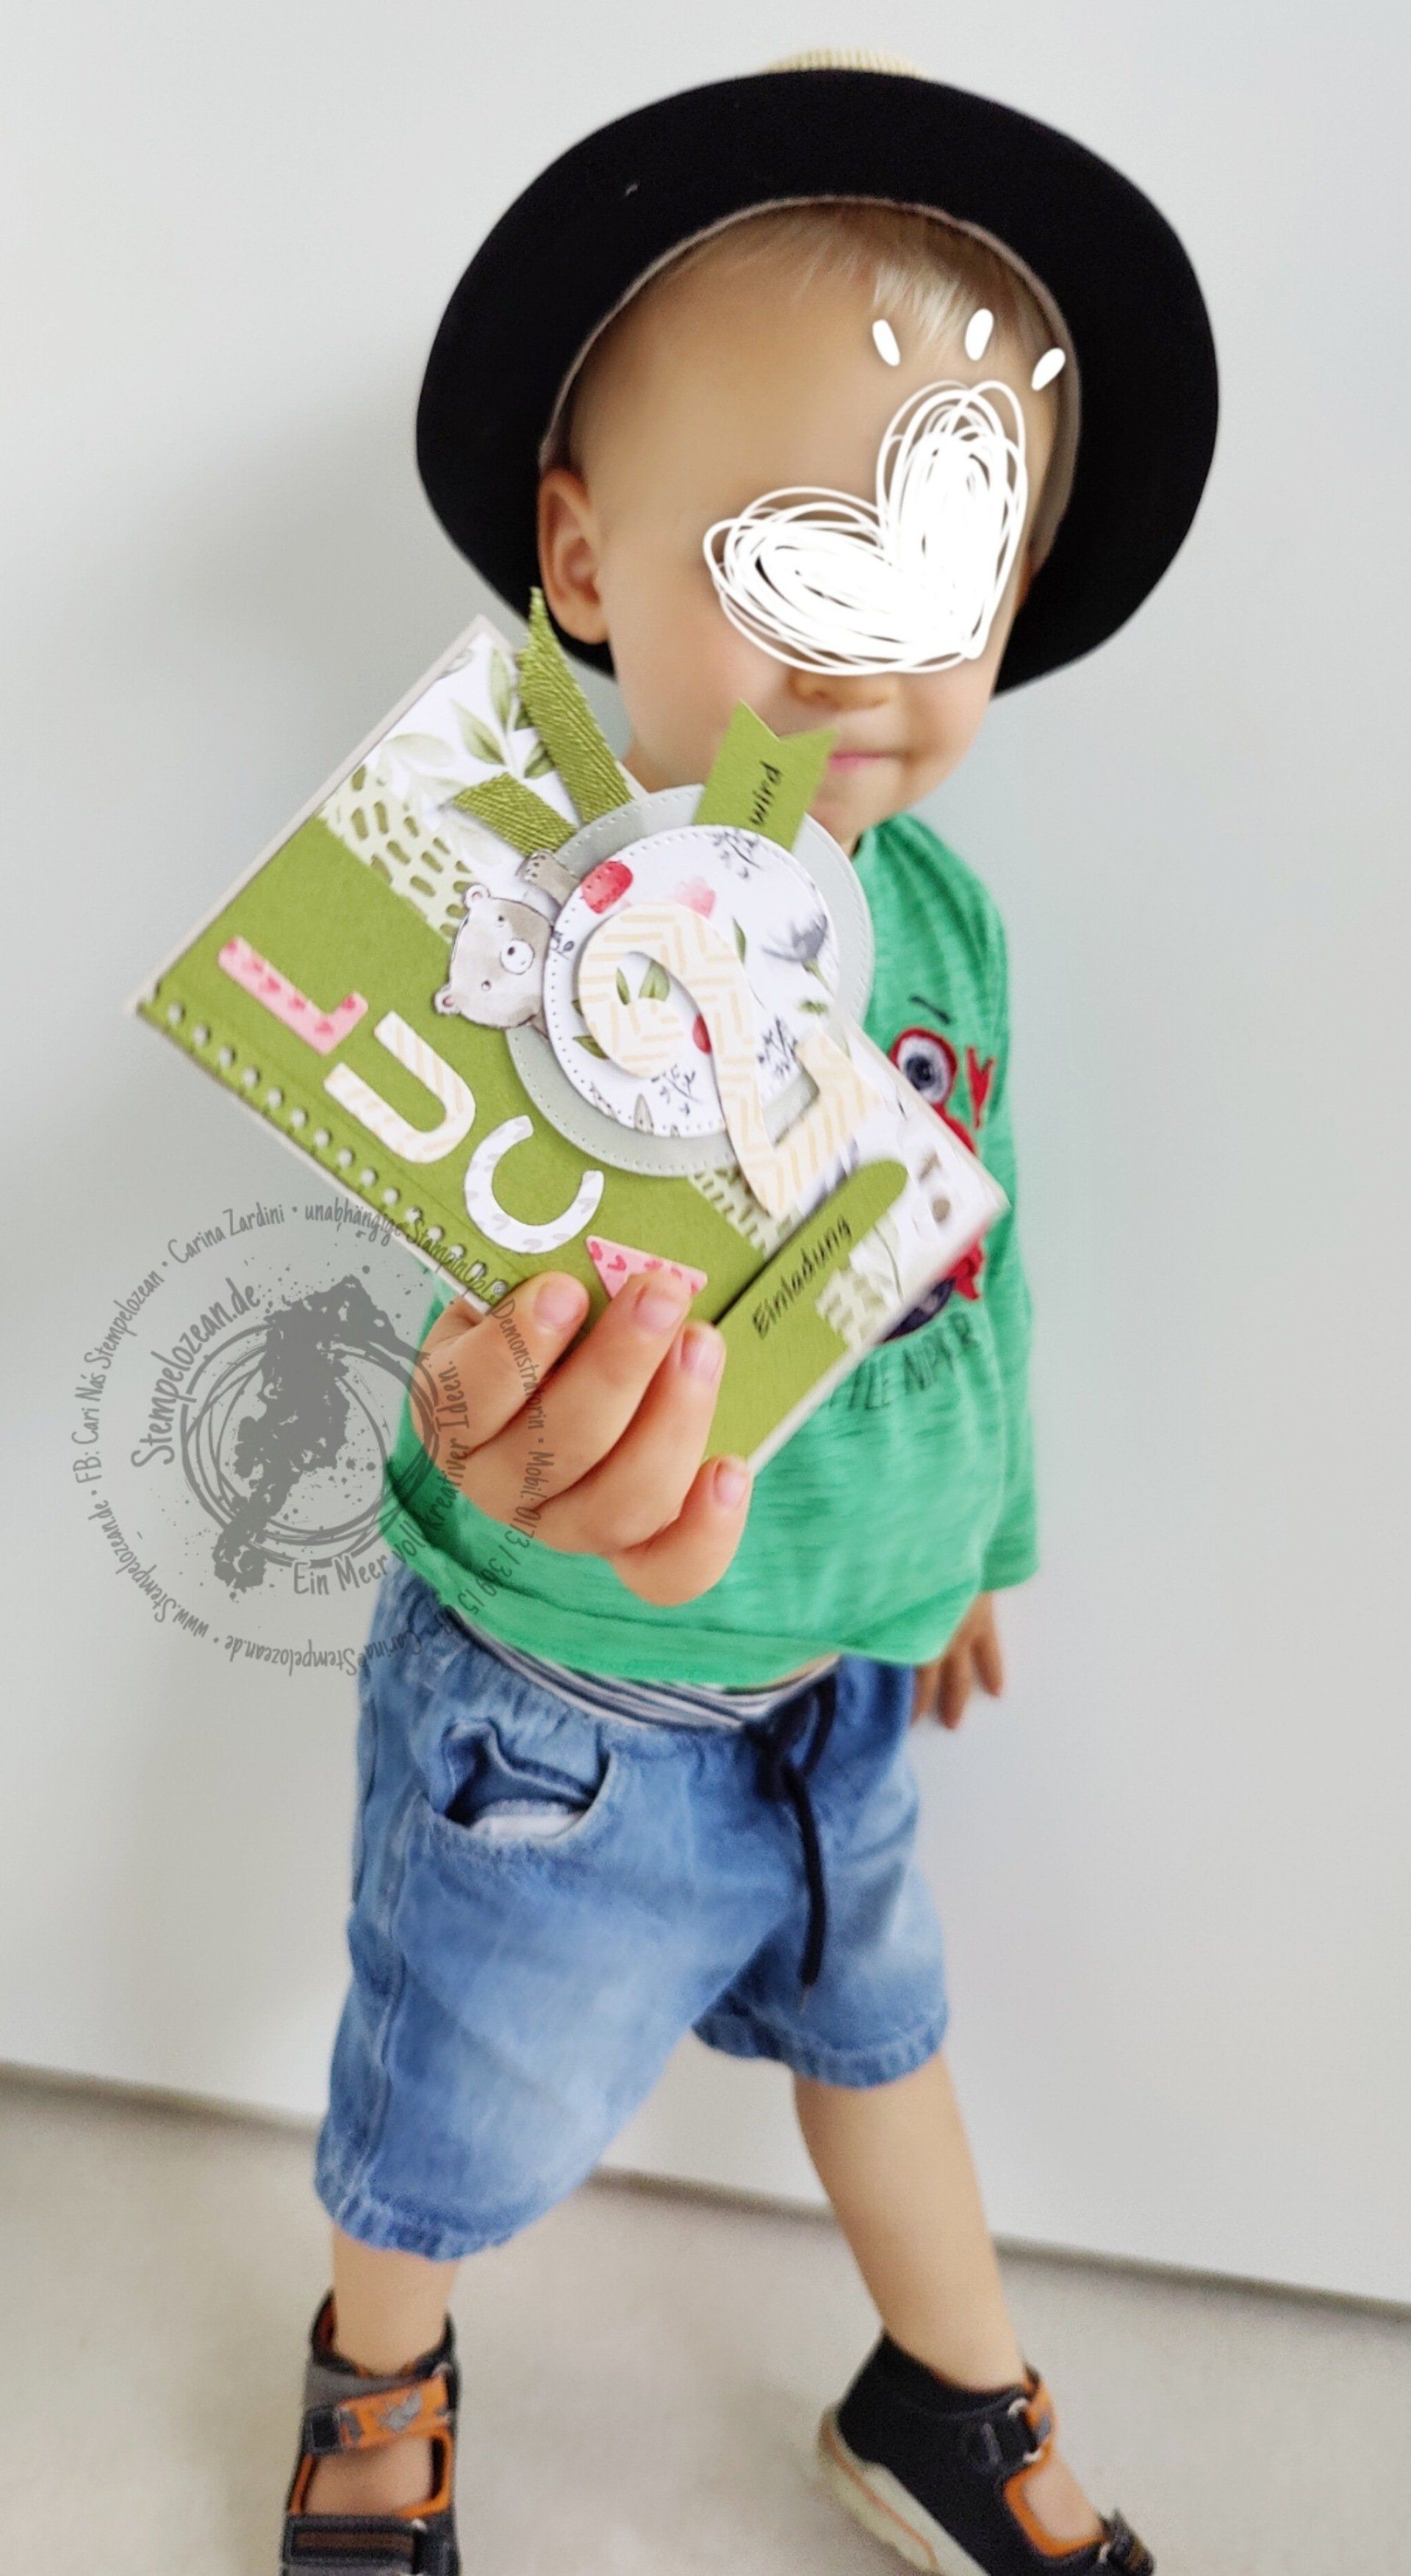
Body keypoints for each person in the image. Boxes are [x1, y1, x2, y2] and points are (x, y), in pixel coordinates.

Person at [279, 53, 1217, 2576]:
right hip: (559, 1707)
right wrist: (513, 1438)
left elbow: (988, 1248)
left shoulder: (946, 926)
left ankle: (950, 2386)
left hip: (845, 1688)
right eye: (799, 569)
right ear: (583, 559)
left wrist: (980, 1537)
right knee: (450, 2095)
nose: (869, 669)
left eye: (947, 592)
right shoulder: (527, 936)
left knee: (885, 2042)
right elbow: (487, 1336)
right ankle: (377, 2367)